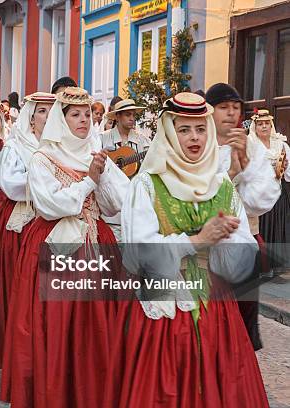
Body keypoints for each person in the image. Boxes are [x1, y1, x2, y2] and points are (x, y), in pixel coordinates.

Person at [118, 92, 267, 406]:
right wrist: (197, 241)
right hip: (166, 313)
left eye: (200, 129)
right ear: (170, 132)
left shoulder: (222, 185)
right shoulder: (146, 185)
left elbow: (244, 253)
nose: (194, 137)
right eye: (184, 129)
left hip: (217, 309)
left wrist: (227, 243)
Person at [0, 87, 129, 406]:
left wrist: (104, 178)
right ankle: (55, 386)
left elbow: (117, 204)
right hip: (57, 243)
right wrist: (89, 181)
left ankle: (95, 385)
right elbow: (49, 206)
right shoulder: (43, 157)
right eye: (75, 114)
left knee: (96, 319)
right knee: (57, 319)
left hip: (97, 239)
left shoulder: (96, 154)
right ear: (62, 117)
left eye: (87, 114)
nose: (83, 120)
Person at [205, 82, 280, 351]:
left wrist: (246, 167)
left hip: (242, 238)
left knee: (243, 315)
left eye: (235, 107)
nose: (230, 113)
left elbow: (262, 199)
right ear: (209, 111)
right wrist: (233, 174)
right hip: (204, 244)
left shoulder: (251, 145)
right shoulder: (197, 143)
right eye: (223, 107)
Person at [0, 92, 55, 369]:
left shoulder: (62, 146)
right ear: (31, 117)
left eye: (52, 111)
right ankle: (18, 354)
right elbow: (9, 183)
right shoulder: (16, 145)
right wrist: (43, 180)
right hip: (23, 220)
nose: (48, 117)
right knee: (20, 289)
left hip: (55, 222)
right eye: (42, 112)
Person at [100, 99, 151, 241]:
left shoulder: (143, 141)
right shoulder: (102, 138)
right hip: (110, 213)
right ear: (117, 116)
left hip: (134, 208)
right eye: (128, 115)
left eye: (134, 115)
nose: (132, 118)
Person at [249, 109, 290, 271]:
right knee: (262, 229)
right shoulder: (250, 145)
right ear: (255, 126)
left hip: (278, 194)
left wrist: (283, 167)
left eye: (267, 123)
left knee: (278, 227)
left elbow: (287, 174)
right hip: (258, 195)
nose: (264, 127)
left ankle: (277, 266)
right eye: (260, 124)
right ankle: (263, 267)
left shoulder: (281, 144)